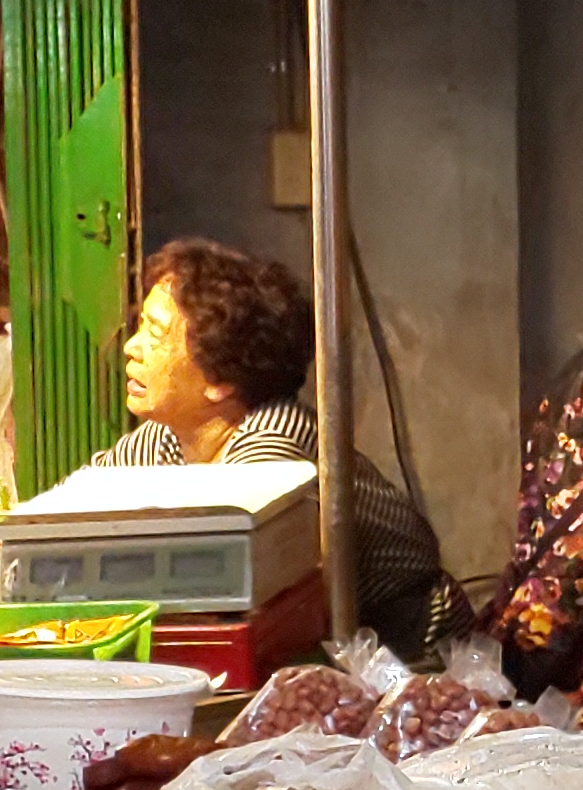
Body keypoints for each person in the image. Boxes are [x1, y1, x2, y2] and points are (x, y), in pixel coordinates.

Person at [91, 234, 452, 644]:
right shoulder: (162, 438)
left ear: (220, 379)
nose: (132, 349)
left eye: (154, 335)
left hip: (414, 654)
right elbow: (81, 508)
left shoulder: (275, 448)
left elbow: (225, 584)